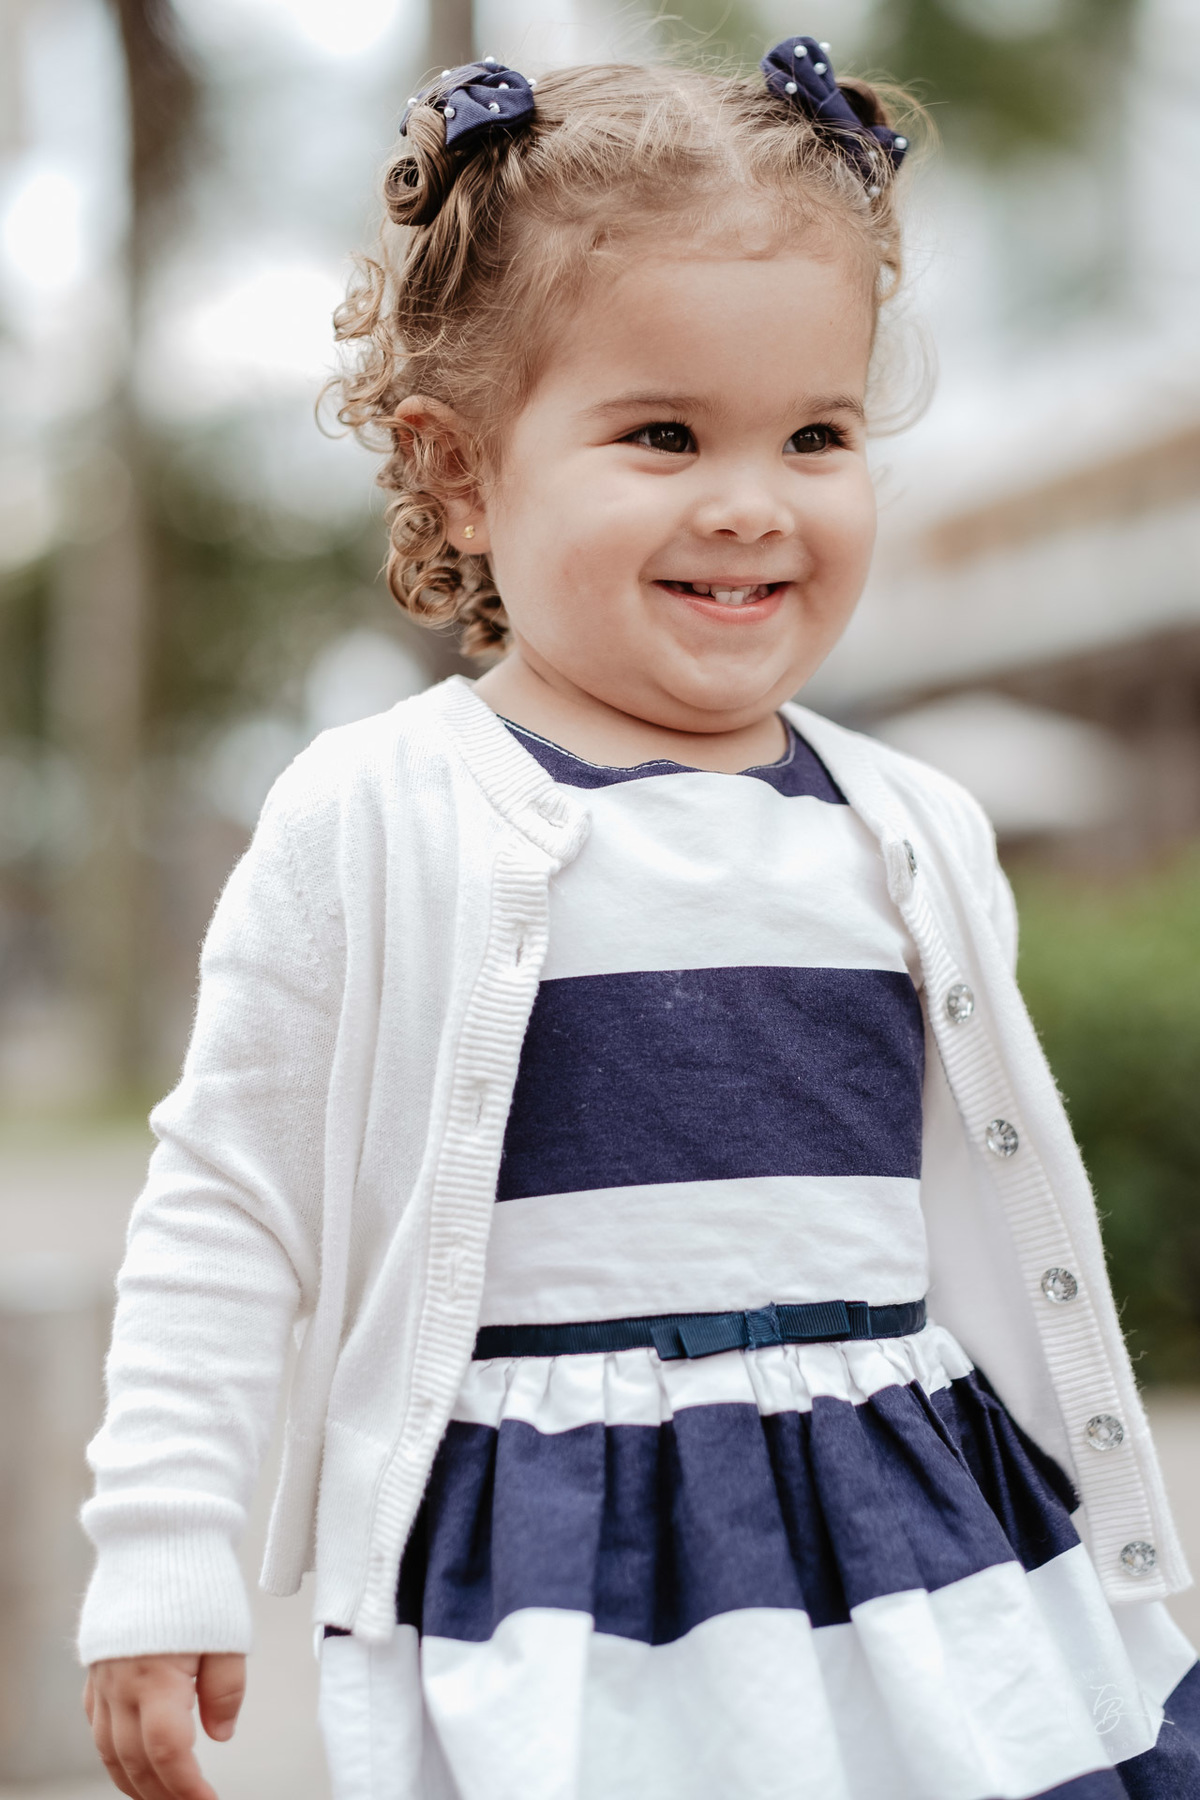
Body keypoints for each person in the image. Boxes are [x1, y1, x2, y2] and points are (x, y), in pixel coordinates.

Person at [79, 37, 1200, 1800]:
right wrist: (163, 1550)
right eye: (663, 434)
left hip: (926, 1541)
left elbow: (991, 1211)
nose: (753, 499)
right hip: (566, 1577)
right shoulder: (377, 816)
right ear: (457, 474)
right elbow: (228, 1204)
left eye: (818, 434)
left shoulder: (910, 827)